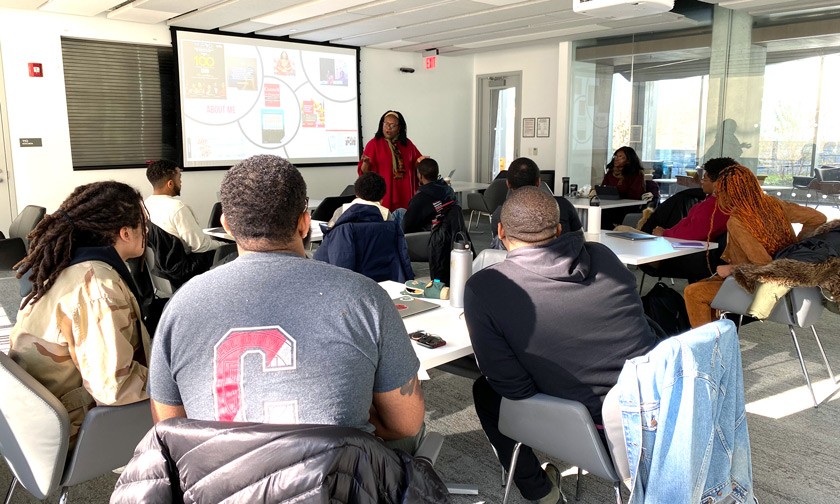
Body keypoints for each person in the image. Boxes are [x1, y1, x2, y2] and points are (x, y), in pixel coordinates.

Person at [149, 155, 425, 452]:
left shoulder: (180, 307)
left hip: (218, 485)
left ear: (227, 226)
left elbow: (169, 428)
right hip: (334, 484)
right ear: (305, 223)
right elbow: (405, 423)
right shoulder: (365, 298)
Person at [465, 187, 658, 504]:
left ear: (499, 232)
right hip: (655, 406)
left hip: (596, 431)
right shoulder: (604, 256)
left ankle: (541, 492)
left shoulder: (485, 287)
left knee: (485, 391)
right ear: (558, 229)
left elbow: (513, 387)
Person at [10, 181, 151, 446]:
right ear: (125, 233)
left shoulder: (61, 262)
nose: (147, 231)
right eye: (143, 224)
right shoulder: (97, 285)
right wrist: (176, 381)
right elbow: (114, 388)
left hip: (31, 420)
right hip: (71, 431)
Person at [684, 164, 826, 327]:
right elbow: (818, 218)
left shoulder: (737, 221)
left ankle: (706, 348)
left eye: (720, 192)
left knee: (693, 293)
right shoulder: (775, 204)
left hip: (760, 284)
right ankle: (717, 342)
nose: (716, 195)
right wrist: (795, 248)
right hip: (788, 278)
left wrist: (731, 269)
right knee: (703, 284)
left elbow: (762, 265)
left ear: (730, 194)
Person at [489, 157, 581, 249]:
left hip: (514, 260)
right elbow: (580, 239)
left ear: (508, 183)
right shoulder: (563, 205)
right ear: (538, 182)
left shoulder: (501, 213)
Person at [145, 159, 221, 256]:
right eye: (179, 178)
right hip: (186, 265)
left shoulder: (146, 204)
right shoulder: (177, 207)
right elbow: (200, 246)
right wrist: (227, 245)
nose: (181, 182)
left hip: (163, 266)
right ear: (170, 184)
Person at [358, 110, 425, 211]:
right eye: (386, 124)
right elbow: (364, 173)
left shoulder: (407, 144)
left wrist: (420, 161)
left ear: (399, 128)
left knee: (404, 221)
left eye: (392, 125)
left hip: (404, 193)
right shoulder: (374, 144)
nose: (388, 128)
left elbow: (416, 164)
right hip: (385, 195)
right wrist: (366, 163)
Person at [402, 157, 456, 233]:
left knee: (398, 214)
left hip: (426, 237)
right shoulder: (449, 191)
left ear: (420, 176)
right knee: (400, 211)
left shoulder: (419, 199)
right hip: (446, 231)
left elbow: (407, 228)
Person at [328, 171, 392, 228]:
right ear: (382, 197)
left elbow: (329, 235)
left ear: (356, 193)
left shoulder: (341, 211)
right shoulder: (385, 214)